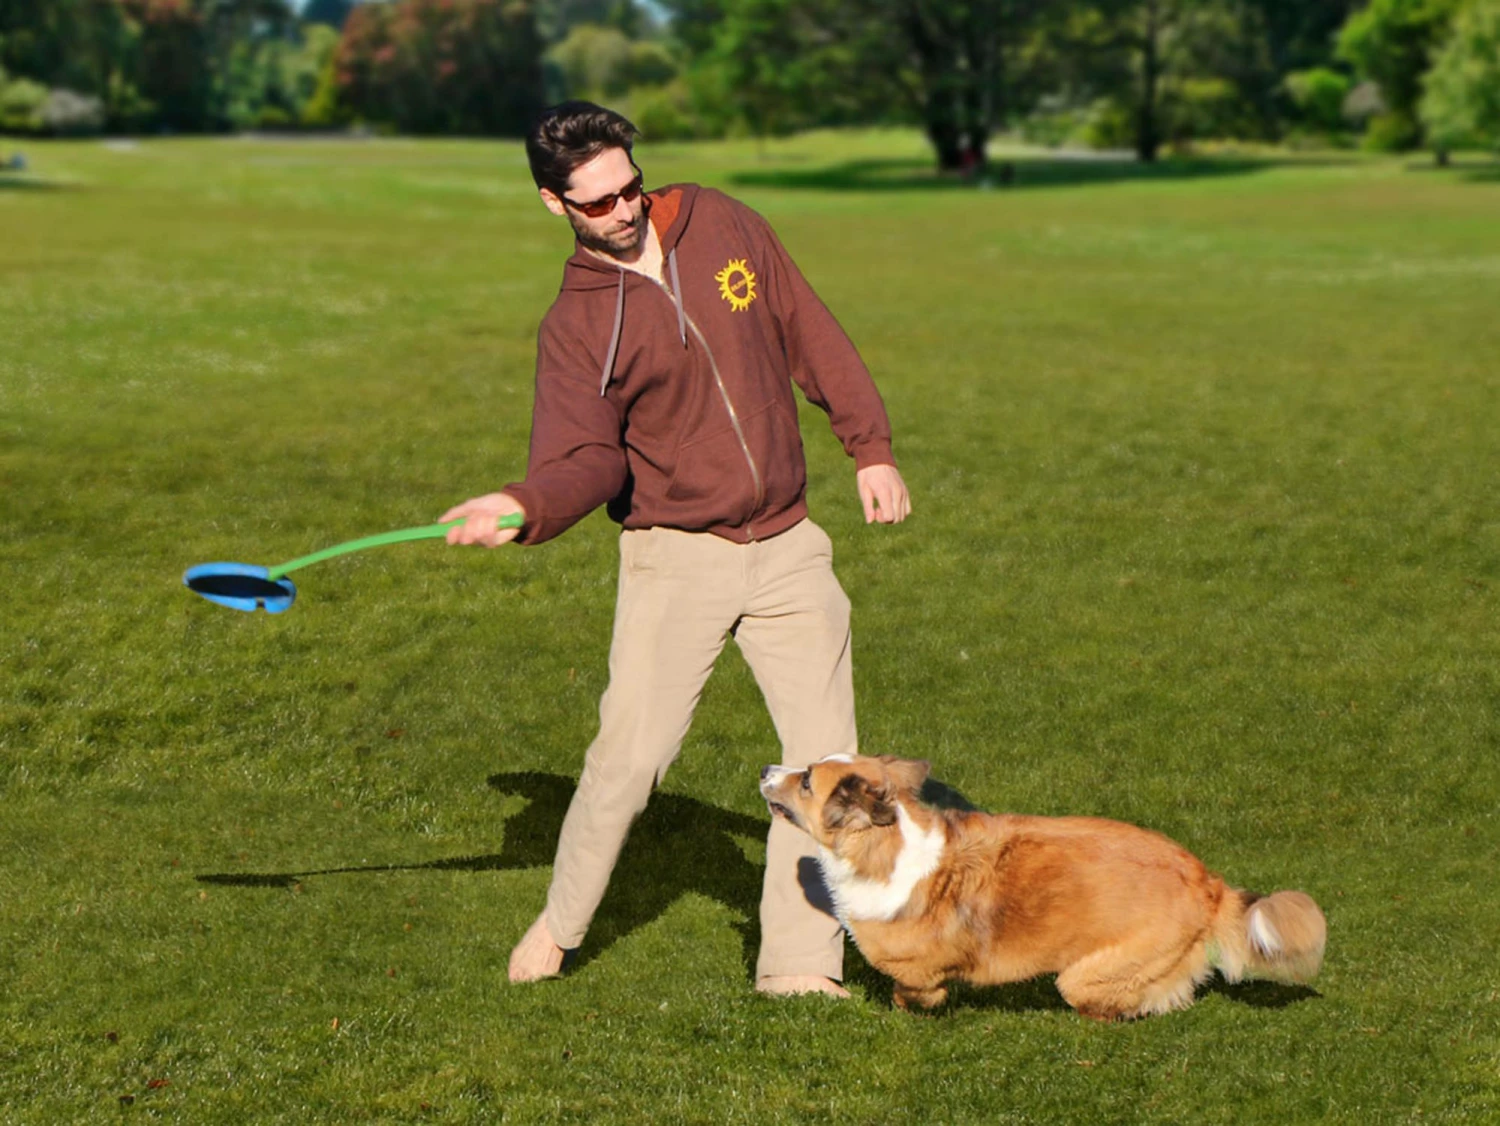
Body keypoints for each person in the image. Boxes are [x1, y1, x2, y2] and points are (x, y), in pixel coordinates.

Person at [441, 102, 910, 997]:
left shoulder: (722, 223)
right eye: (598, 204)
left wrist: (870, 446)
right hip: (674, 557)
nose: (623, 212)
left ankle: (799, 968)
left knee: (826, 773)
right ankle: (563, 920)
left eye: (630, 188)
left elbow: (807, 328)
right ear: (555, 206)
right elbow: (583, 458)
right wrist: (525, 504)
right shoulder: (578, 325)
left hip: (788, 544)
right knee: (629, 763)